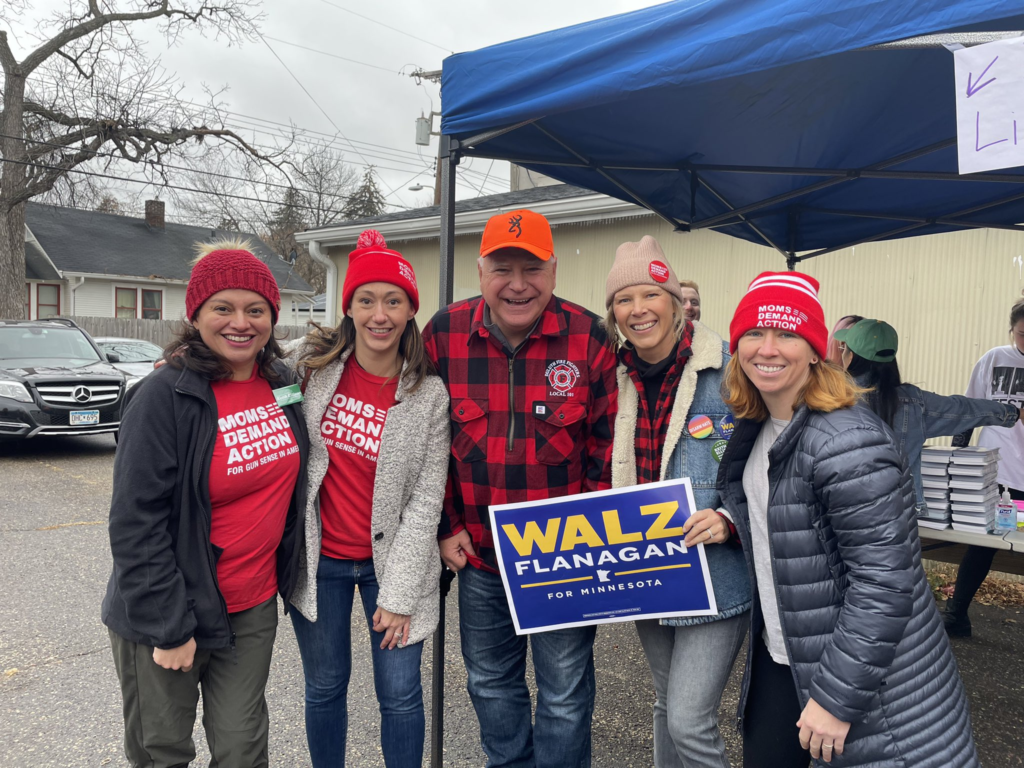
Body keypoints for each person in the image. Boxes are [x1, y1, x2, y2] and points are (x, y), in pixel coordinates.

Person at [716, 272, 979, 768]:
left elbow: (885, 582)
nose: (767, 348)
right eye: (754, 333)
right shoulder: (758, 424)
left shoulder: (848, 439)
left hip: (866, 684)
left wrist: (837, 698)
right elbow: (785, 515)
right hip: (784, 656)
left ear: (818, 349)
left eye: (787, 334)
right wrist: (728, 518)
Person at [422, 209, 618, 768]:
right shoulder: (443, 334)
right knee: (489, 683)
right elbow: (425, 444)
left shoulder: (589, 339)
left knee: (564, 693)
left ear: (553, 271)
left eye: (531, 268)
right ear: (480, 271)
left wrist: (593, 543)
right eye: (502, 268)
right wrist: (445, 526)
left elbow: (604, 450)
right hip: (479, 553)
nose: (517, 284)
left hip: (565, 555)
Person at [102, 240, 309, 768]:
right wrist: (168, 627)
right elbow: (135, 522)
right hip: (169, 607)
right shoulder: (163, 396)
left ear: (272, 317)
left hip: (251, 605)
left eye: (255, 309)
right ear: (196, 315)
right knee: (162, 751)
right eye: (223, 307)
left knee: (243, 750)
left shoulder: (281, 383)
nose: (241, 323)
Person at [285, 231, 449, 768]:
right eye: (366, 300)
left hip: (393, 566)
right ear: (348, 307)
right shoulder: (312, 369)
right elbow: (239, 359)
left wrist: (400, 594)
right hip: (321, 561)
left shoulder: (428, 393)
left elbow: (427, 499)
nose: (380, 314)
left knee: (400, 694)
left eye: (393, 301)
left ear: (409, 311)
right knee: (326, 685)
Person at [605, 236, 750, 768]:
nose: (638, 310)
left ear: (674, 300)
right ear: (614, 313)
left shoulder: (729, 369)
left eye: (650, 295)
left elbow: (771, 462)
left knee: (690, 719)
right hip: (650, 569)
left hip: (718, 574)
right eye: (624, 299)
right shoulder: (612, 378)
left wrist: (731, 518)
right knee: (667, 705)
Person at [833, 317, 1020, 517]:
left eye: (844, 349)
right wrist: (1013, 412)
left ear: (851, 357)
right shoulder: (914, 402)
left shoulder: (830, 399)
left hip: (842, 510)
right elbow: (964, 409)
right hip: (899, 513)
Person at [943, 297, 1024, 637]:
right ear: (1011, 330)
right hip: (994, 472)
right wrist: (954, 459)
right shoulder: (994, 358)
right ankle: (957, 614)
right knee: (983, 544)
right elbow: (968, 409)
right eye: (1022, 333)